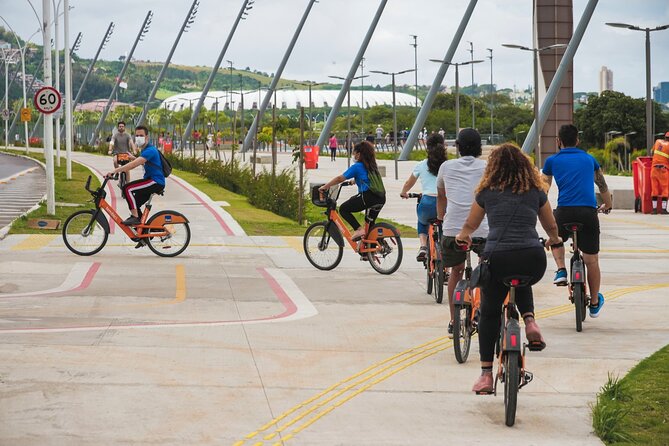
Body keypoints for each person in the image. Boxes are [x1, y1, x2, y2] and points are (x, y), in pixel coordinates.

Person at [455, 143, 562, 394]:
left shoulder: (487, 191)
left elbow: (470, 224)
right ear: (525, 166)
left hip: (498, 258)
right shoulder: (536, 190)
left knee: (491, 311)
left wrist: (464, 236)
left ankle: (485, 375)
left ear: (493, 168)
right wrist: (554, 240)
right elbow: (551, 227)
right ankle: (530, 320)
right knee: (520, 278)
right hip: (533, 259)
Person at [542, 124, 612, 318]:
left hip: (564, 213)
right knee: (592, 260)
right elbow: (602, 186)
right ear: (577, 141)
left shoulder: (552, 161)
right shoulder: (589, 159)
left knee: (556, 239)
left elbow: (543, 191)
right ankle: (595, 303)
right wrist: (607, 205)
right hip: (588, 213)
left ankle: (562, 270)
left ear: (558, 141)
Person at [436, 128, 488, 337]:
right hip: (483, 229)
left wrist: (440, 218)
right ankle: (482, 315)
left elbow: (441, 195)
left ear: (457, 147)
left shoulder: (446, 167)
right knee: (486, 271)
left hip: (453, 230)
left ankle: (453, 321)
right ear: (479, 148)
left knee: (456, 271)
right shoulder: (487, 167)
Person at [319, 141, 385, 241]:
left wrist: (326, 186)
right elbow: (367, 178)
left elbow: (339, 178)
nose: (353, 155)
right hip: (381, 198)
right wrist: (354, 181)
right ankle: (371, 251)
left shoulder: (357, 166)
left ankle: (358, 229)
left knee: (344, 209)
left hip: (368, 197)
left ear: (359, 154)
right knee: (370, 225)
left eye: (354, 153)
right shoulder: (372, 166)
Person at [106, 125, 166, 229]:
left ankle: (135, 217)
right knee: (134, 201)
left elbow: (133, 165)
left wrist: (115, 170)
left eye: (141, 135)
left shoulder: (150, 150)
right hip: (150, 180)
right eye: (137, 135)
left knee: (127, 188)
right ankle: (143, 228)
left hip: (155, 181)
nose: (138, 137)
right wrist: (133, 158)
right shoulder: (145, 150)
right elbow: (145, 162)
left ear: (147, 137)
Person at [401, 133, 448, 261]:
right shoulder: (449, 165)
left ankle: (423, 246)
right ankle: (446, 264)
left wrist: (404, 192)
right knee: (445, 227)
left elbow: (409, 183)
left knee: (422, 222)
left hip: (427, 203)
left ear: (427, 147)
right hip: (445, 204)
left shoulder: (422, 164)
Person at [650, 131, 669, 214]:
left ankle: (654, 210)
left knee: (654, 189)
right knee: (665, 189)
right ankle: (663, 209)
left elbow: (652, 152)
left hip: (654, 169)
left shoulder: (657, 141)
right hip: (663, 170)